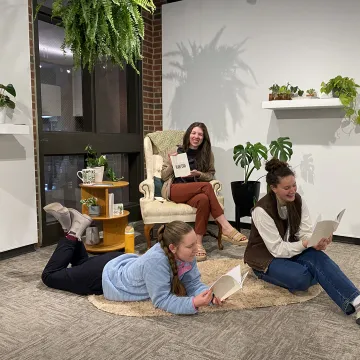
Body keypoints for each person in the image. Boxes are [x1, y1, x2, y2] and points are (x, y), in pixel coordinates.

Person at [41, 203, 222, 315]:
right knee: (50, 276)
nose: (196, 249)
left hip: (116, 262)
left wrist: (210, 294)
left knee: (80, 264)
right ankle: (73, 231)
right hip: (104, 277)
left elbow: (192, 283)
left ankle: (69, 226)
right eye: (191, 246)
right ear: (173, 247)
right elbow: (162, 301)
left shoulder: (185, 253)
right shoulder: (157, 261)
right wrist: (193, 303)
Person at [244, 158, 360, 325]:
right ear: (273, 188)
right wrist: (306, 244)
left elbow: (304, 231)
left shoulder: (297, 200)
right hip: (266, 258)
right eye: (287, 187)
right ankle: (262, 273)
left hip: (290, 249)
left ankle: (356, 301)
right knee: (302, 278)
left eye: (294, 185)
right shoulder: (261, 211)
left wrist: (316, 241)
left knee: (318, 257)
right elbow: (277, 249)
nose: (293, 191)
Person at [161, 122, 248, 261]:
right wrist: (171, 164)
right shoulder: (176, 150)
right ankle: (226, 227)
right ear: (189, 134)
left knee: (204, 200)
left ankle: (198, 243)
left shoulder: (207, 154)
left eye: (200, 134)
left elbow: (210, 175)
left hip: (194, 191)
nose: (196, 136)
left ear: (204, 137)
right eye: (194, 133)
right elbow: (164, 176)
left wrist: (198, 174)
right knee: (206, 187)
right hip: (175, 189)